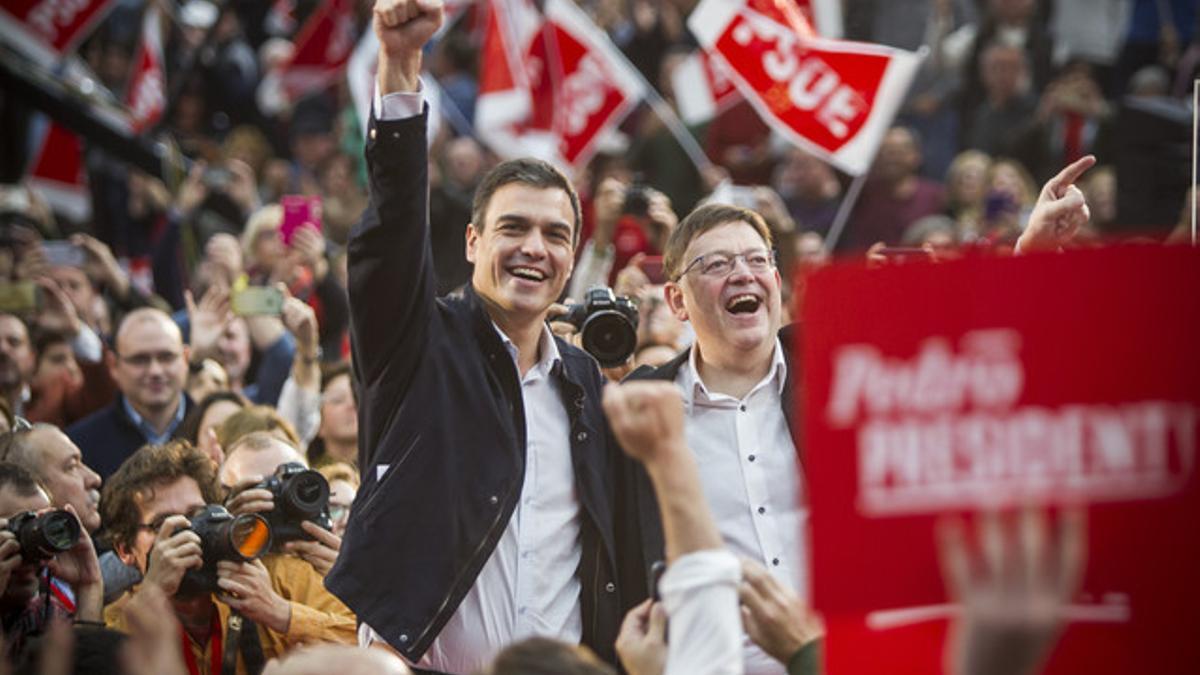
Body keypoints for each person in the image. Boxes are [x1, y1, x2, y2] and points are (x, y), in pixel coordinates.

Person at [326, 1, 624, 672]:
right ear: (471, 242)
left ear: (572, 258)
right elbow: (394, 227)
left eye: (555, 234)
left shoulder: (586, 384)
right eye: (513, 227)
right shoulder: (415, 339)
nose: (534, 248)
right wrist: (400, 65)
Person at [620, 203, 803, 675]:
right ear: (677, 300)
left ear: (776, 280)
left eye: (757, 260)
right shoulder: (643, 406)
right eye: (717, 264)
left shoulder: (831, 365)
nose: (742, 274)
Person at [218, 432, 356, 650]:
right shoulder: (214, 572)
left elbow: (378, 647)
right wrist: (227, 534)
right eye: (265, 489)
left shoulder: (345, 571)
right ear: (226, 498)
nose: (280, 502)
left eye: (291, 486)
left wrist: (352, 583)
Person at [67, 308, 192, 479]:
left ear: (185, 358)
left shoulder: (213, 428)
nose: (155, 371)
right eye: (140, 359)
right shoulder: (81, 445)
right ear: (113, 365)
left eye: (166, 357)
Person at [0, 462, 103, 657]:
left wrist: (88, 587)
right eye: (15, 530)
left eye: (37, 527)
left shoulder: (42, 613)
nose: (30, 547)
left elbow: (85, 668)